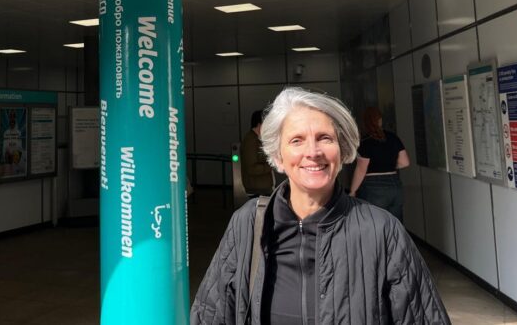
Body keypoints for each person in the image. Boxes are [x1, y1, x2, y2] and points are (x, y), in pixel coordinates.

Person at [191, 88, 449, 324]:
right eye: (297, 140)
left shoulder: (382, 231)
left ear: (342, 150)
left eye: (325, 138)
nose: (313, 152)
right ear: (278, 156)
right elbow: (210, 315)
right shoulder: (248, 224)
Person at [348, 107, 410, 222]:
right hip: (395, 185)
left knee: (376, 226)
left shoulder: (365, 142)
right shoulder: (393, 137)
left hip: (374, 188)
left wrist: (352, 191)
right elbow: (405, 162)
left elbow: (361, 169)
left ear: (365, 122)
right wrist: (388, 165)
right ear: (380, 120)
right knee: (395, 226)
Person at [241, 109, 274, 196]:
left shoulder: (257, 139)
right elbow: (251, 168)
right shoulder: (251, 141)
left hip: (260, 187)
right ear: (260, 124)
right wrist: (271, 165)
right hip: (257, 189)